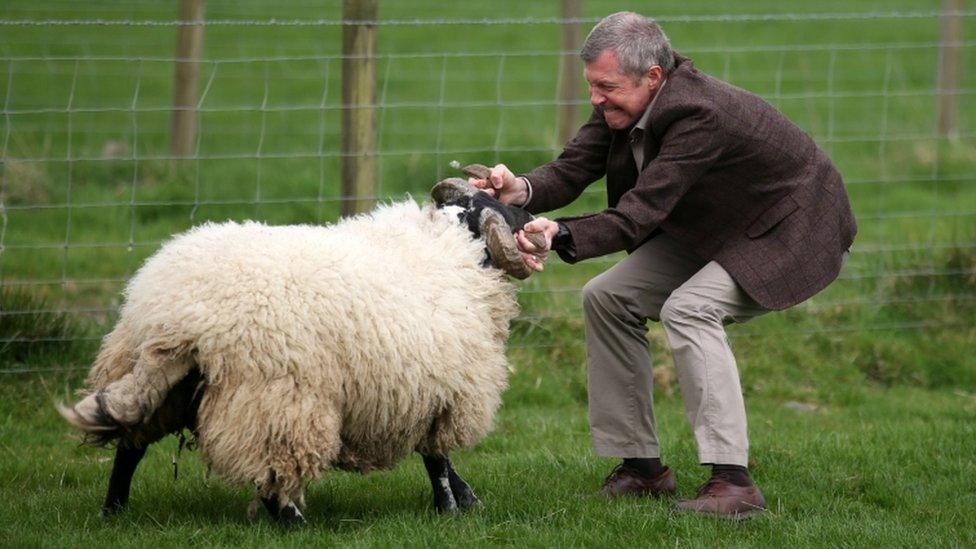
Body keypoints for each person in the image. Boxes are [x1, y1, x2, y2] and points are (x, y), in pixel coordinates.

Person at [470, 12, 856, 518]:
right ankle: (642, 470)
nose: (595, 98)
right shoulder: (623, 103)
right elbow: (572, 168)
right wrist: (517, 188)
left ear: (653, 76)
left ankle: (733, 485)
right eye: (591, 85)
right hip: (720, 222)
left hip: (791, 226)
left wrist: (561, 232)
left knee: (690, 309)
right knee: (606, 297)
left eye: (606, 86)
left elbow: (637, 215)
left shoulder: (699, 114)